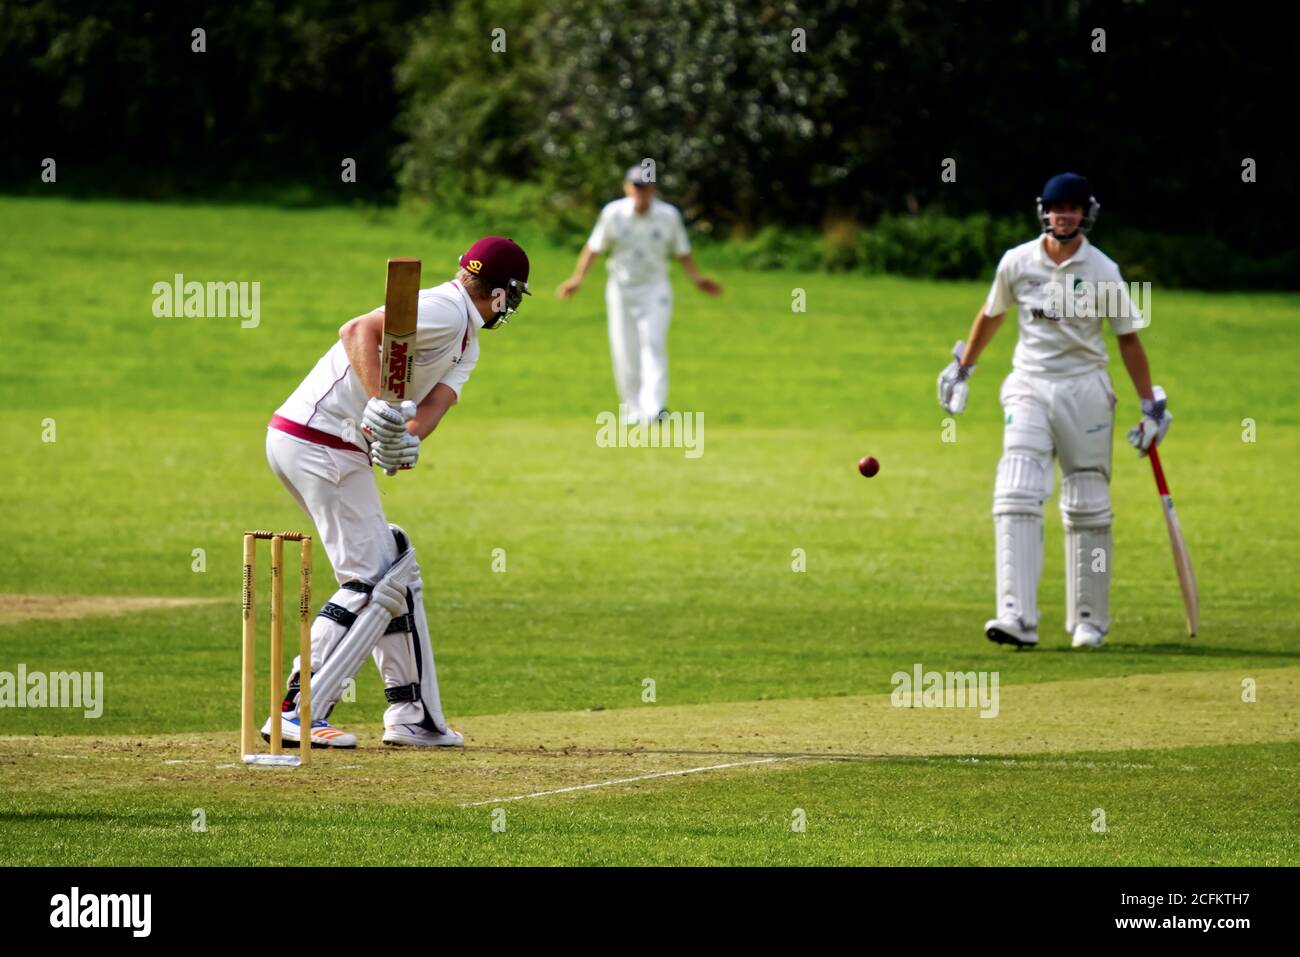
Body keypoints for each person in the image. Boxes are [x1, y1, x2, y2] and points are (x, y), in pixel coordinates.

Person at [262, 237, 531, 745]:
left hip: (323, 443)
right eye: (512, 296)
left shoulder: (467, 342)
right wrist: (376, 404)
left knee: (395, 567)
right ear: (499, 295)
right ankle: (297, 709)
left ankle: (413, 715)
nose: (510, 307)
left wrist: (402, 444)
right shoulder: (446, 310)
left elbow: (432, 409)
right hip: (320, 440)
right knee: (370, 580)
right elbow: (358, 330)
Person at [937, 173, 1170, 649]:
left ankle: (1089, 620)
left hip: (1085, 389)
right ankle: (1016, 617)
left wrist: (1151, 407)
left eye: (1073, 208)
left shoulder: (1103, 270)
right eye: (1056, 207)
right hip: (1029, 384)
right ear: (1043, 210)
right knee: (1017, 489)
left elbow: (1127, 339)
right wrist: (963, 368)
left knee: (1087, 502)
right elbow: (992, 314)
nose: (1064, 216)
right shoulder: (1017, 262)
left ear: (1086, 213)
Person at [557, 166, 721, 423]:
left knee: (652, 343)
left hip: (655, 289)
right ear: (627, 187)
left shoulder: (668, 215)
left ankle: (654, 407)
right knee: (624, 348)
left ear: (653, 189)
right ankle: (633, 409)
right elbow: (594, 247)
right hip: (621, 289)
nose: (640, 192)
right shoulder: (614, 213)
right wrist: (578, 278)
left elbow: (682, 251)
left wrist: (697, 279)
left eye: (645, 187)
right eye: (636, 186)